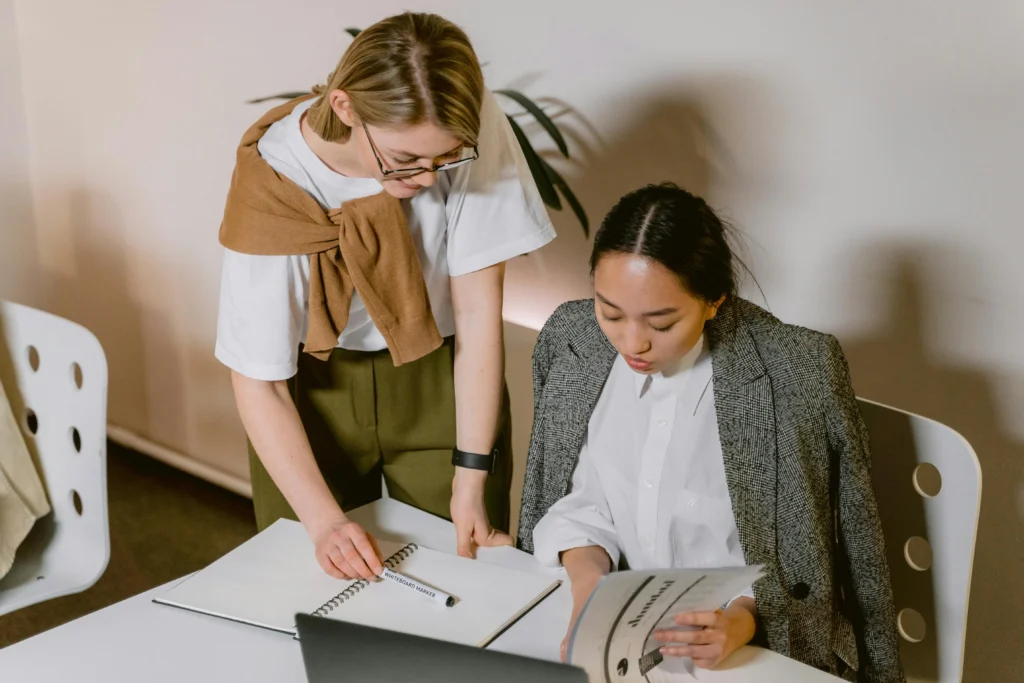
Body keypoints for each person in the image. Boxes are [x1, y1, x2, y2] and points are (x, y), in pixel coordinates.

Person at [215, 13, 554, 581]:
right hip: (310, 390)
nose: (426, 179)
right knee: (310, 582)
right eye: (405, 161)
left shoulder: (464, 123)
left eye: (444, 161)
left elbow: (475, 312)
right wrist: (325, 524)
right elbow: (259, 380)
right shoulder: (273, 181)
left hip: (441, 376)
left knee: (468, 575)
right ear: (346, 107)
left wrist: (471, 478)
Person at [517, 183, 904, 682]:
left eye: (661, 322)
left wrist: (741, 621)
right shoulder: (572, 340)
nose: (631, 342)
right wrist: (589, 590)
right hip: (621, 644)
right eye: (610, 311)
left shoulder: (797, 370)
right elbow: (582, 504)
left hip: (752, 652)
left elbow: (841, 558)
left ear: (714, 301)